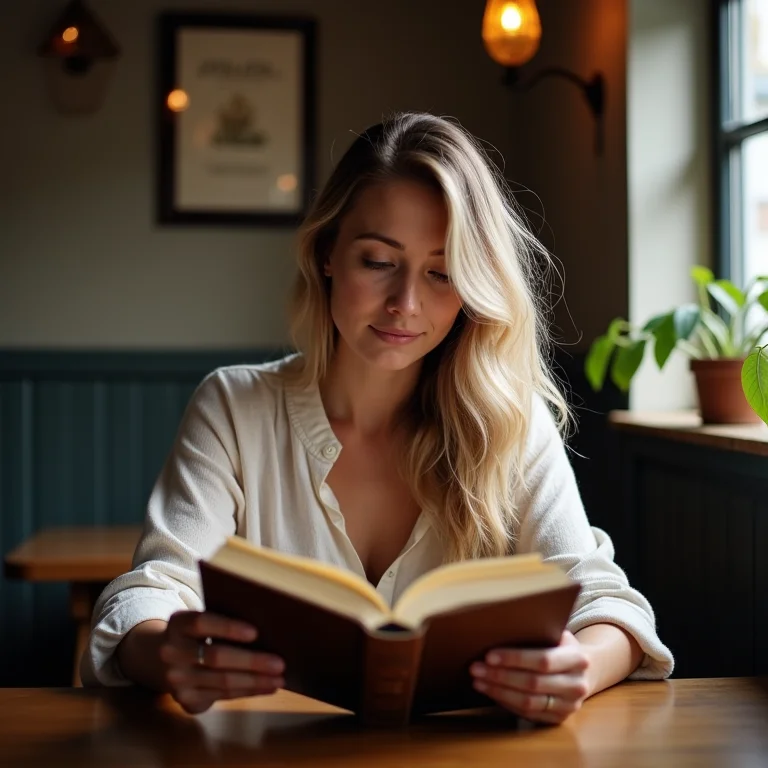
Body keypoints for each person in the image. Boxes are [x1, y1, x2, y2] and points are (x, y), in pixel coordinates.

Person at [81, 112, 673, 724]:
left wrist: (579, 666)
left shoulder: (511, 423)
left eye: (442, 273)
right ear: (328, 252)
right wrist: (166, 652)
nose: (406, 304)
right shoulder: (234, 407)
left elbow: (605, 601)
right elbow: (153, 589)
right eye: (378, 261)